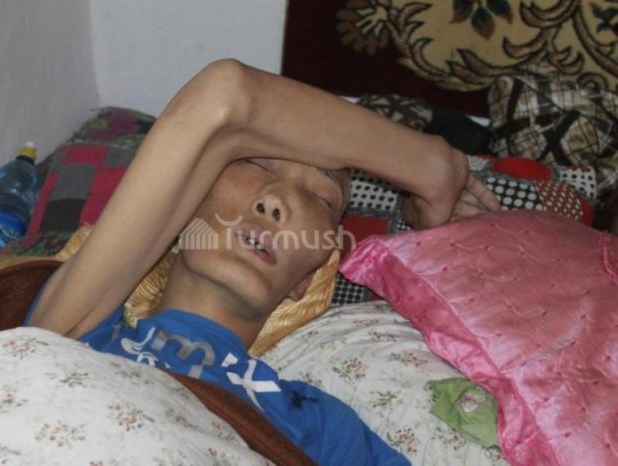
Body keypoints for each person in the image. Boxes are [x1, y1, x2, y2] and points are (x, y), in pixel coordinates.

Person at [26, 59, 500, 465]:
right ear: (183, 205)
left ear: (310, 275)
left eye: (318, 196)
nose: (276, 201)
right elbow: (225, 95)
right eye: (252, 164)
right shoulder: (83, 325)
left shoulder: (319, 424)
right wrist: (429, 165)